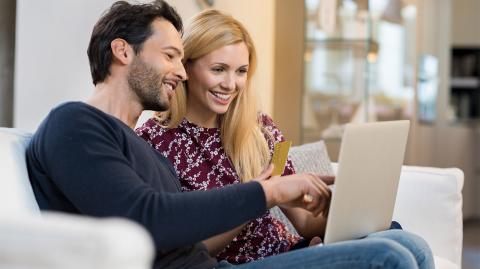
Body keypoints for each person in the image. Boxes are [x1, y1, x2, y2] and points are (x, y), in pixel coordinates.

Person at [25, 1, 434, 269]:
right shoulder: (75, 124)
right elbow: (149, 220)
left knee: (407, 244)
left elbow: (177, 234)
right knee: (388, 257)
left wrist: (330, 223)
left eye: (240, 72)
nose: (182, 72)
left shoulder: (135, 147)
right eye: (172, 57)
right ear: (123, 52)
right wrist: (266, 193)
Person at [136, 9, 328, 264]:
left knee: (392, 236)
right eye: (218, 69)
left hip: (291, 253)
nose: (230, 84)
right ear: (186, 67)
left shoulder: (262, 129)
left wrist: (337, 209)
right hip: (236, 264)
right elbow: (186, 252)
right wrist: (259, 197)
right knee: (386, 253)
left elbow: (305, 223)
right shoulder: (153, 142)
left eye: (241, 71)